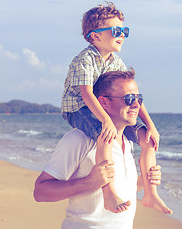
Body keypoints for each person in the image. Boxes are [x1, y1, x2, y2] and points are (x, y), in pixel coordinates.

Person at [60, 2, 171, 214]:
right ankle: (109, 192)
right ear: (95, 36)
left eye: (124, 31)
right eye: (116, 31)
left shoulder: (116, 61)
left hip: (105, 109)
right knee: (106, 135)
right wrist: (106, 121)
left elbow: (133, 97)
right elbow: (87, 94)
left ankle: (151, 194)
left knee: (147, 139)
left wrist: (151, 125)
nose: (122, 35)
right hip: (79, 108)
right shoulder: (85, 59)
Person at [34, 70, 169, 228]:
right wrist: (89, 182)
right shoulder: (79, 139)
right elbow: (40, 192)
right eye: (129, 98)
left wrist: (146, 180)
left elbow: (121, 190)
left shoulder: (128, 142)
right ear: (103, 102)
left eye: (139, 98)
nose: (136, 104)